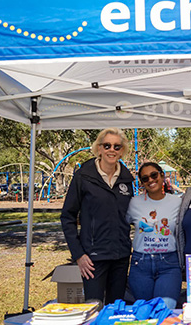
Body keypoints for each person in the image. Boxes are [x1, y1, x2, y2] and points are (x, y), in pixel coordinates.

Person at [60, 128, 134, 305]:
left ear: (122, 151)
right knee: (93, 309)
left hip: (121, 257)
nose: (112, 150)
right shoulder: (83, 176)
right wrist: (78, 254)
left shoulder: (127, 180)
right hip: (92, 259)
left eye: (117, 146)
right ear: (99, 148)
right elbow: (67, 217)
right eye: (107, 145)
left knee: (115, 311)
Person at [126, 162, 182, 309]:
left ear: (162, 175)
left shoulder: (178, 202)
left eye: (154, 175)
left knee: (165, 310)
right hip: (141, 264)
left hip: (169, 264)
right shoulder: (133, 203)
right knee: (144, 311)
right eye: (145, 178)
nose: (150, 180)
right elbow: (120, 225)